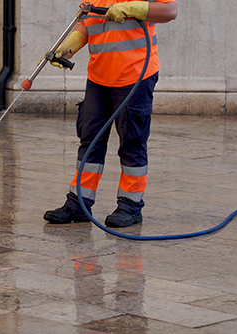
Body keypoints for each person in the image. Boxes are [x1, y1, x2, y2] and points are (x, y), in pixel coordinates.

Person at [44, 0, 177, 227]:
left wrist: (134, 8)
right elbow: (88, 23)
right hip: (98, 77)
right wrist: (69, 47)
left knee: (132, 142)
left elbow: (169, 11)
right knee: (90, 139)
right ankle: (79, 204)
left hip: (135, 75)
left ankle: (130, 206)